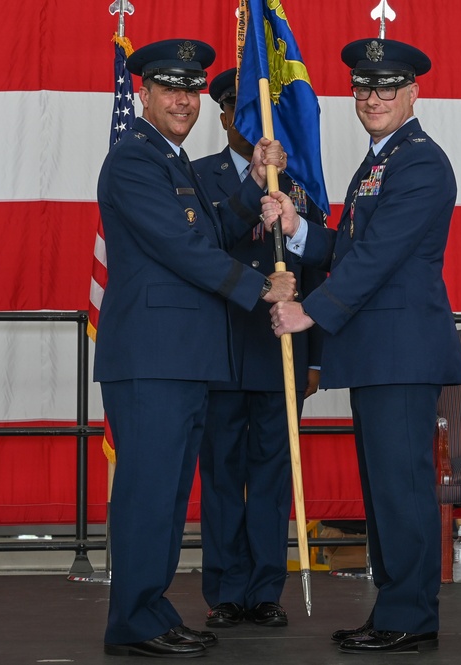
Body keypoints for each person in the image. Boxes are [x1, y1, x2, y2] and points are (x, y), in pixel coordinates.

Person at [260, 38, 461, 654]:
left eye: (386, 87)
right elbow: (351, 248)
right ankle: (395, 609)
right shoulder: (381, 160)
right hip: (379, 351)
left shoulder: (420, 161)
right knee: (384, 492)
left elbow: (379, 258)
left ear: (413, 92)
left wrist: (308, 312)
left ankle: (410, 616)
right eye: (363, 88)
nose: (373, 97)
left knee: (401, 489)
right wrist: (298, 229)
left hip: (401, 351)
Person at [95, 39, 296, 658]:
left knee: (165, 493)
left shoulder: (172, 160)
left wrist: (254, 181)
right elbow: (183, 250)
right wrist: (264, 287)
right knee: (149, 494)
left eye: (191, 90)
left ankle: (149, 610)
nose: (182, 100)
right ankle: (134, 620)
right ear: (145, 94)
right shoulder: (134, 159)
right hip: (152, 359)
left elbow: (204, 230)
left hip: (178, 360)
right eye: (170, 89)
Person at [192, 68, 326, 631]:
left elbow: (319, 271)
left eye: (256, 113)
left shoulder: (301, 184)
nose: (247, 123)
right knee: (222, 476)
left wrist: (315, 355)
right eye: (238, 113)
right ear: (226, 118)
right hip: (219, 350)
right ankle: (225, 590)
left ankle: (266, 588)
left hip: (281, 352)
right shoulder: (198, 177)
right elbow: (200, 253)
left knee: (272, 477)